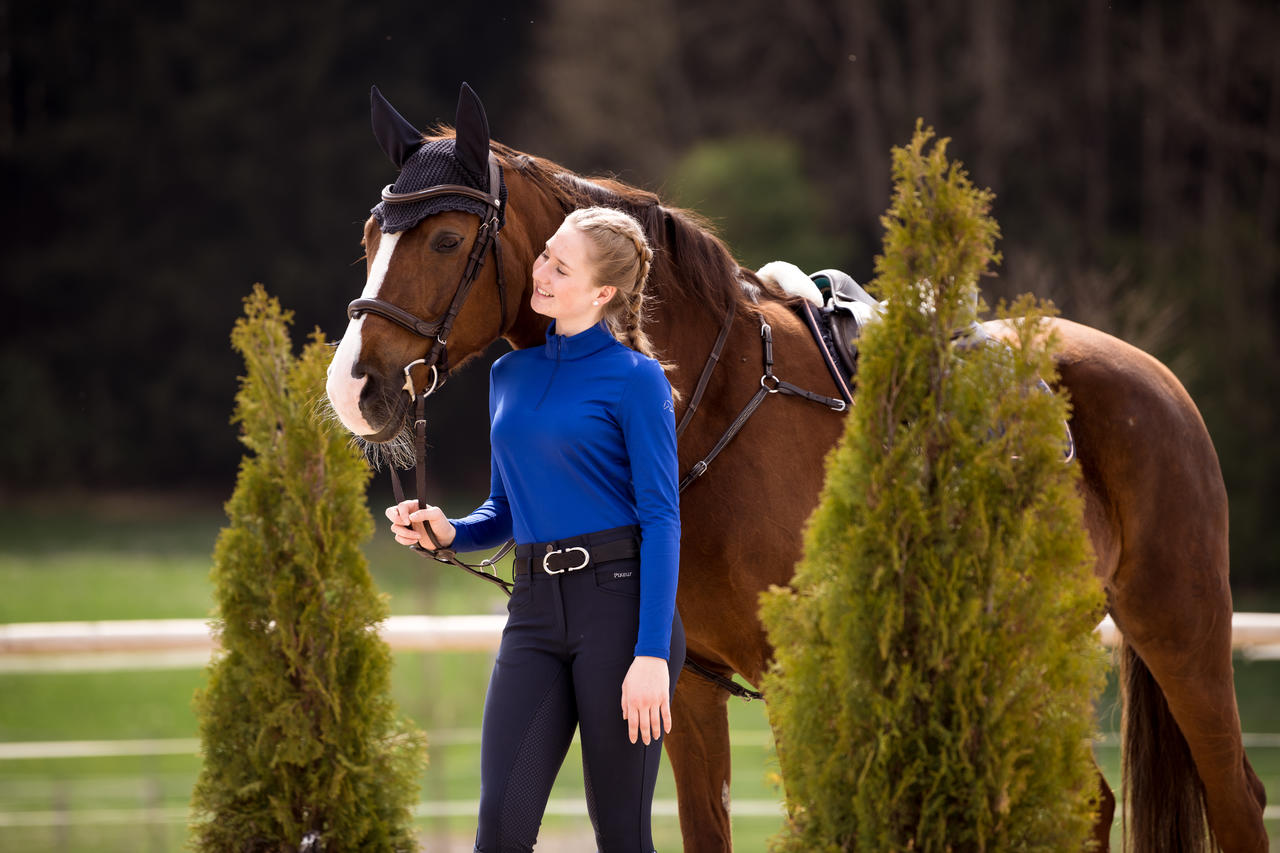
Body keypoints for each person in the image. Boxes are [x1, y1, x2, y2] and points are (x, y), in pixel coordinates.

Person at [385, 206, 685, 853]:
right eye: (545, 254)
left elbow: (662, 518)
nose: (540, 272)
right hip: (534, 613)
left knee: (623, 835)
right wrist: (449, 531)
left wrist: (652, 655)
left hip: (620, 610)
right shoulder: (507, 374)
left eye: (560, 265)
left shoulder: (636, 382)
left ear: (603, 292)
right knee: (502, 827)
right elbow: (507, 508)